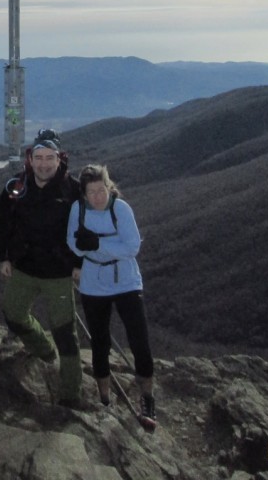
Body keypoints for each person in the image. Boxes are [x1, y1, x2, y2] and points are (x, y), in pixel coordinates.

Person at [0, 128, 83, 407]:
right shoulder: (16, 188)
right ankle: (44, 351)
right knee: (13, 314)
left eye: (50, 157)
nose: (44, 163)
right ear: (30, 159)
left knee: (65, 333)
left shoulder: (74, 190)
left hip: (59, 272)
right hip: (25, 267)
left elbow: (86, 229)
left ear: (60, 159)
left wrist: (80, 264)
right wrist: (4, 257)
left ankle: (70, 395)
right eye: (39, 157)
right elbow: (4, 224)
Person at [67, 163, 156, 426]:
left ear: (109, 186)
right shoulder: (78, 209)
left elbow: (132, 247)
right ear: (83, 194)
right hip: (94, 283)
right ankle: (104, 397)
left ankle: (148, 399)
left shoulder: (121, 208)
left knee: (139, 339)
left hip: (126, 281)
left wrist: (97, 245)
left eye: (101, 189)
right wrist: (100, 248)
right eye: (91, 192)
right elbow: (73, 242)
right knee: (99, 342)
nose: (98, 196)